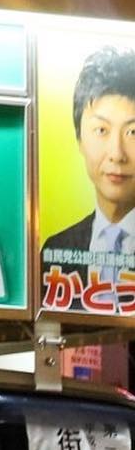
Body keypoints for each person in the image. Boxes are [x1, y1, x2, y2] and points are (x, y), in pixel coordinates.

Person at [41, 46, 135, 292]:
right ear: (79, 139)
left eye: (132, 132)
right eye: (101, 130)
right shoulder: (55, 250)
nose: (117, 154)